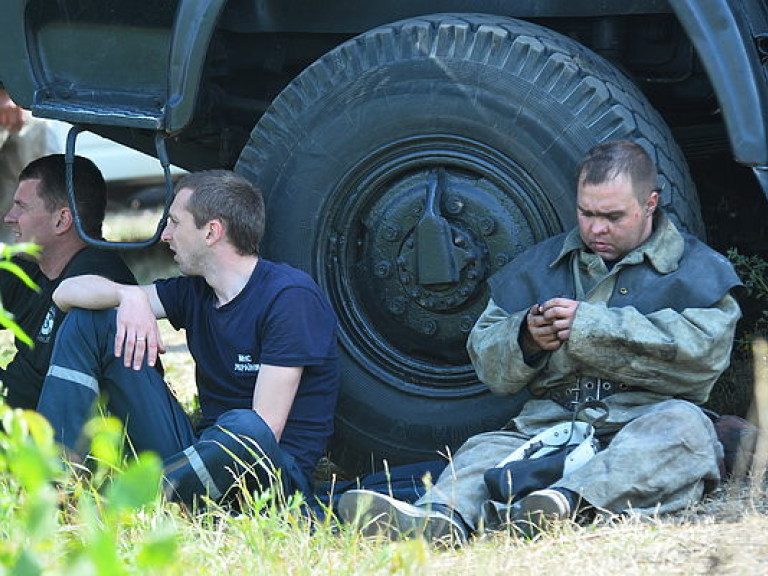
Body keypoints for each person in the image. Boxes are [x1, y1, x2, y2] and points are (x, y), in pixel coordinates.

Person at [338, 140, 743, 543]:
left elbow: (704, 356)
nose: (596, 228)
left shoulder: (698, 269)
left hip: (645, 421)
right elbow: (485, 356)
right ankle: (440, 517)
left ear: (650, 203)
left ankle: (564, 503)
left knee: (685, 429)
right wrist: (526, 339)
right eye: (586, 213)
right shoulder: (541, 264)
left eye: (613, 216)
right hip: (548, 426)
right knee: (485, 449)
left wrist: (589, 328)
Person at [37, 170, 340, 507]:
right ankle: (56, 487)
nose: (165, 235)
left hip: (266, 481)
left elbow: (265, 435)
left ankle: (130, 500)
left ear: (211, 231)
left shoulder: (288, 297)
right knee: (89, 321)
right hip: (193, 463)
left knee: (247, 425)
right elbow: (64, 294)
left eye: (175, 223)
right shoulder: (195, 292)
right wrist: (129, 297)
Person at [0, 154, 136, 409]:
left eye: (22, 207)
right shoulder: (32, 266)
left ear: (62, 220)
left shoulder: (96, 282)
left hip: (41, 438)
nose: (9, 217)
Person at [0, 88, 52, 242]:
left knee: (32, 191)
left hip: (25, 100)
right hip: (13, 98)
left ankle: (14, 258)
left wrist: (6, 92)